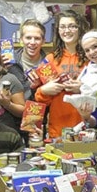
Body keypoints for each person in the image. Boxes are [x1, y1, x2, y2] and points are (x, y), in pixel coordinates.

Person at [34, 10, 88, 139]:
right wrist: (43, 90)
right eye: (62, 27)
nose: (67, 31)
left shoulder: (90, 58)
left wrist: (82, 89)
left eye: (72, 26)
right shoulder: (50, 59)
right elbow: (40, 101)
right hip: (58, 130)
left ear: (80, 28)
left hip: (86, 128)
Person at [2, 18, 48, 100]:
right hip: (11, 109)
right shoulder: (8, 61)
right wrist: (0, 69)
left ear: (43, 41)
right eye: (28, 38)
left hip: (38, 110)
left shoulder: (49, 64)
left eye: (37, 38)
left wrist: (36, 87)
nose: (32, 42)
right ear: (21, 40)